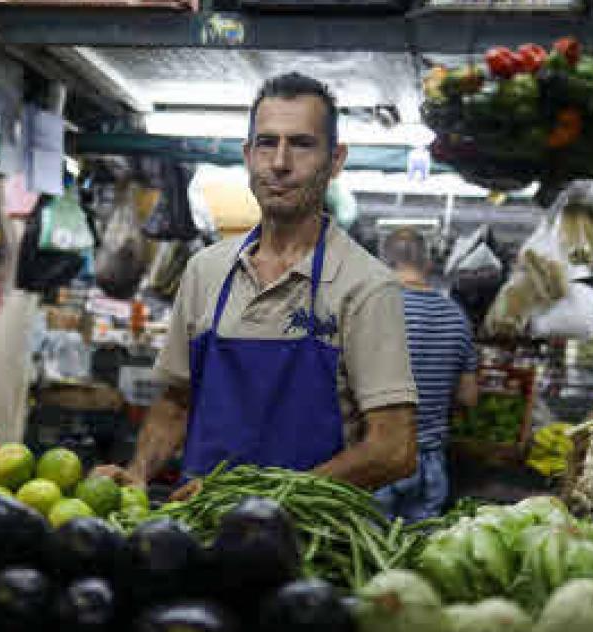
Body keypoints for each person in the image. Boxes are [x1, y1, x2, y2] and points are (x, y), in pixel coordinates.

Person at [96, 73, 419, 500]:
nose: (280, 163)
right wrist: (138, 472)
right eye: (267, 143)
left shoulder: (365, 285)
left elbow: (394, 449)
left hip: (308, 542)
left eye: (302, 144)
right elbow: (175, 404)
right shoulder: (205, 271)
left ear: (336, 159)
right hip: (197, 533)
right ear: (248, 155)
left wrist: (260, 501)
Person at [374, 228, 479, 521]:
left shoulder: (370, 310)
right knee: (418, 554)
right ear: (428, 264)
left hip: (374, 457)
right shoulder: (456, 316)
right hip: (429, 463)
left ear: (382, 263)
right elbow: (468, 397)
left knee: (366, 555)